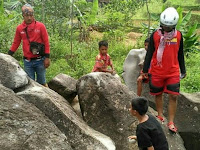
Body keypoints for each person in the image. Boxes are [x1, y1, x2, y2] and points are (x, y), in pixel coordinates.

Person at [141, 7, 186, 133]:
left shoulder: (178, 35)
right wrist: (145, 69)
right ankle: (160, 116)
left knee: (173, 96)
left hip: (172, 71)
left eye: (169, 27)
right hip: (157, 71)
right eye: (165, 26)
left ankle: (171, 121)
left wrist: (183, 69)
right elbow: (149, 53)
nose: (166, 28)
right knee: (158, 94)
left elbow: (180, 53)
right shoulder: (155, 35)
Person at [8, 4, 50, 87]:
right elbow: (16, 42)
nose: (29, 18)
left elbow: (46, 42)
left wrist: (47, 57)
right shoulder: (20, 28)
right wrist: (8, 55)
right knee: (30, 84)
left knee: (42, 83)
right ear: (23, 15)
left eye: (31, 15)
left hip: (40, 60)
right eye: (27, 15)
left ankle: (49, 99)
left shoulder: (40, 26)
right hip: (27, 62)